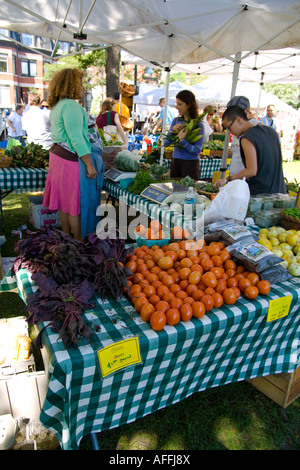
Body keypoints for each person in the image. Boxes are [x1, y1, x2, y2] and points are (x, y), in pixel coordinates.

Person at [43, 67, 99, 242]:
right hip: (68, 159)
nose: (82, 87)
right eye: (80, 83)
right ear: (72, 84)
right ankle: (79, 241)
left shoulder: (58, 106)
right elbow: (76, 138)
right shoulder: (71, 106)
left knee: (64, 203)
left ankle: (67, 239)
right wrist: (89, 164)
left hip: (58, 157)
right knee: (73, 203)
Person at [218, 105, 286, 195]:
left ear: (238, 120)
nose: (230, 131)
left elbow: (251, 171)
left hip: (261, 194)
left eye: (229, 127)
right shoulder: (271, 131)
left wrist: (228, 179)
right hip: (280, 190)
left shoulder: (246, 138)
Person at [215, 96, 261, 187]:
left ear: (247, 111)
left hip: (247, 182)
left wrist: (228, 179)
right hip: (236, 180)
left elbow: (252, 169)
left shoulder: (255, 127)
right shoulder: (237, 129)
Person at [164, 89, 205, 180]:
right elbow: (165, 143)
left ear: (189, 105)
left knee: (188, 192)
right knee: (175, 192)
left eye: (180, 104)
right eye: (176, 103)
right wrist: (172, 132)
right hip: (175, 162)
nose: (176, 107)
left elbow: (197, 151)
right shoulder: (176, 121)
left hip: (190, 165)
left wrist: (183, 141)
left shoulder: (198, 125)